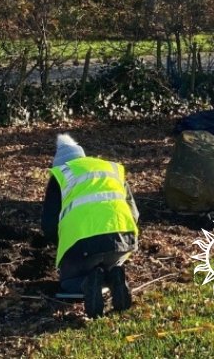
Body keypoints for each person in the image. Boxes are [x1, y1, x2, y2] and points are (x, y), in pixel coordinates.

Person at [41, 134, 139, 317]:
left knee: (68, 283)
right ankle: (113, 278)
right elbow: (134, 213)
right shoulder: (111, 169)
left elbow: (48, 224)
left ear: (59, 164)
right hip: (122, 241)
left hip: (83, 246)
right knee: (108, 265)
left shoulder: (61, 175)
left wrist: (62, 246)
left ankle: (87, 282)